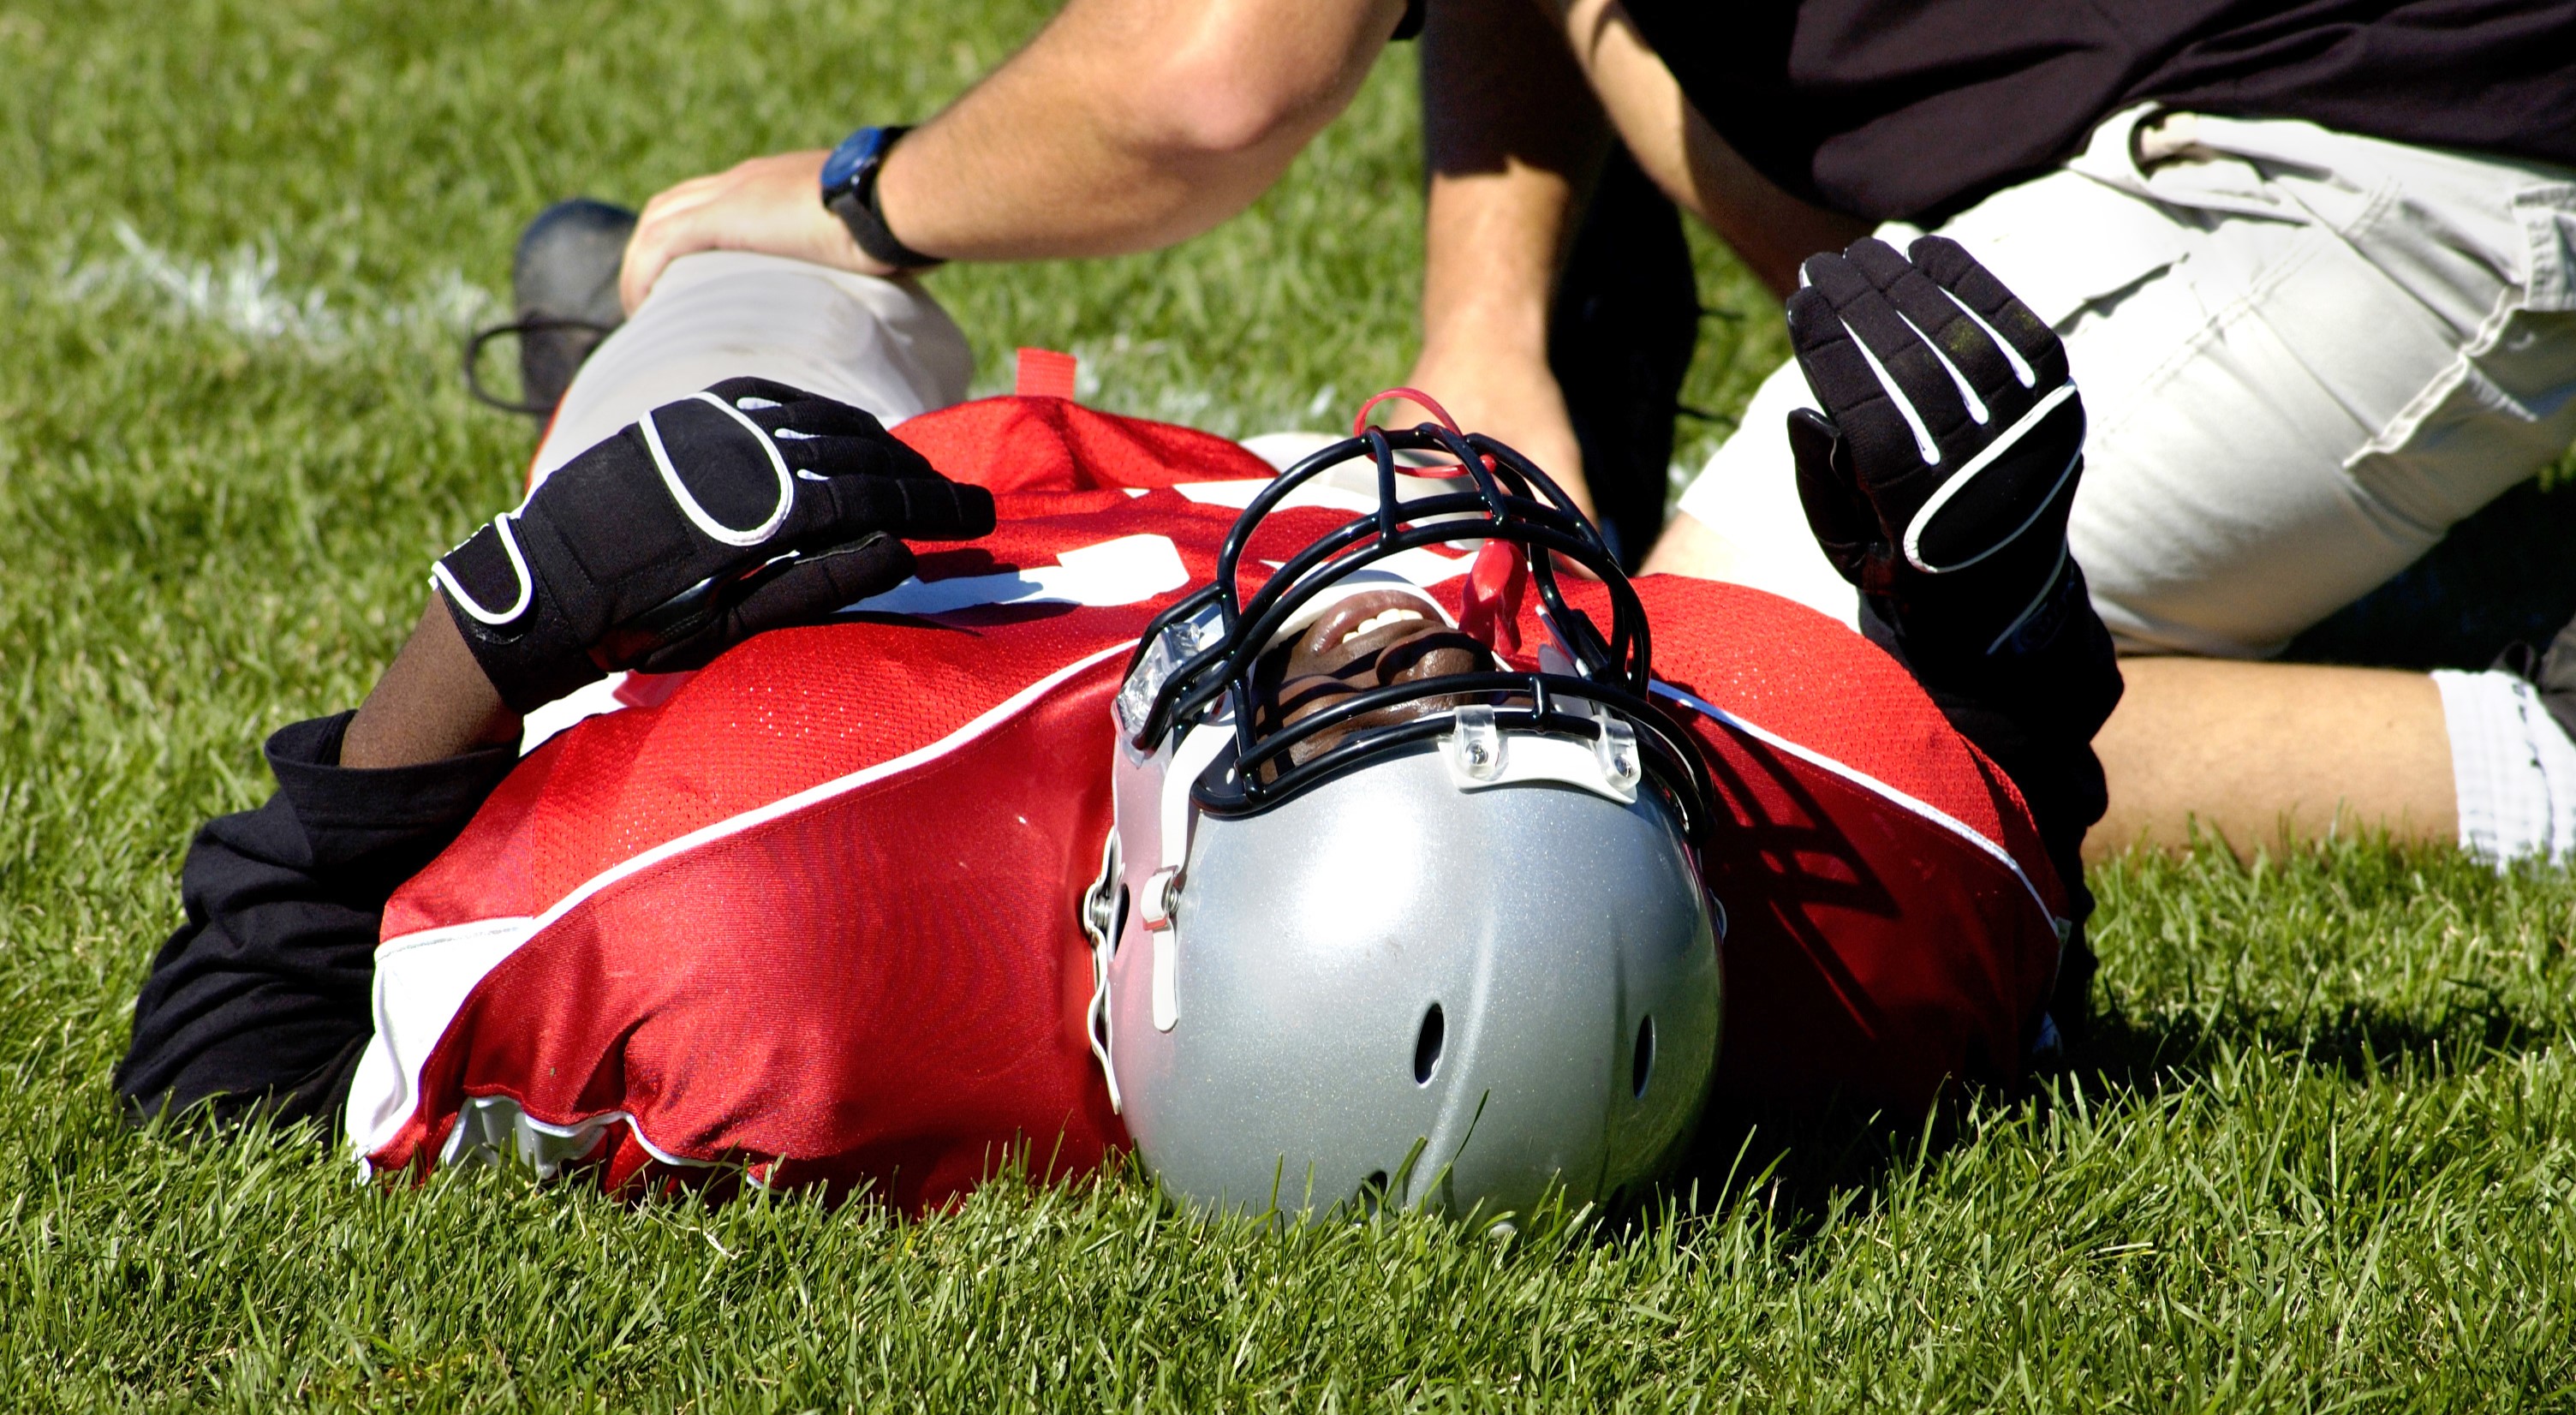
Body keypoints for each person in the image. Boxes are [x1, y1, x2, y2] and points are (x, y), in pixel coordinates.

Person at [116, 233, 2119, 1214]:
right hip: (1277, 491)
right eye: (1500, 691)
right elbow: (2002, 896)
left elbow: (226, 1077)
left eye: (1353, 698)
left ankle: (657, 281)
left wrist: (514, 606)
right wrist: (2002, 603)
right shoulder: (1725, 904)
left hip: (889, 540)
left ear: (1150, 920)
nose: (1439, 632)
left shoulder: (758, 911)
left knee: (769, 305)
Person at [578, 0, 2576, 867]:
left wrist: (850, 191)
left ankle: (2535, 751)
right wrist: (1485, 325)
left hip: (2370, 155)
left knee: (1730, 707)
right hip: (2260, 119)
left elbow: (1197, 87)